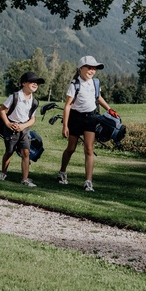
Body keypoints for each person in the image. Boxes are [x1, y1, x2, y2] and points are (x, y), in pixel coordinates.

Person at [57, 55, 119, 192]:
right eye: (89, 68)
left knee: (89, 150)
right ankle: (62, 172)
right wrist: (65, 125)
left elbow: (98, 97)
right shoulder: (75, 84)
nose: (92, 71)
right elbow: (67, 106)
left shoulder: (95, 82)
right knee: (71, 148)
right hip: (75, 118)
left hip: (91, 118)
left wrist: (109, 109)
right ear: (80, 69)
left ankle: (88, 182)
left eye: (94, 68)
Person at [0, 71, 45, 187]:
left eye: (37, 83)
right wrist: (8, 123)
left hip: (24, 129)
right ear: (24, 83)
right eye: (32, 82)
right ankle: (3, 173)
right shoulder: (14, 96)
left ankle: (25, 179)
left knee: (26, 153)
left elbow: (33, 119)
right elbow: (2, 110)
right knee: (9, 152)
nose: (35, 84)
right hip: (11, 128)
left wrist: (24, 126)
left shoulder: (34, 101)